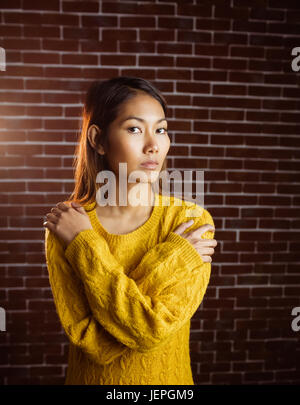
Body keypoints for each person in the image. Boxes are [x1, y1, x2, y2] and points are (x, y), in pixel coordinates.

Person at [43, 76, 217, 385]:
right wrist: (176, 257)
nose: (153, 145)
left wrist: (84, 246)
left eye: (161, 130)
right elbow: (87, 339)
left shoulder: (190, 220)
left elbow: (153, 330)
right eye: (135, 129)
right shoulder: (68, 226)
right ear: (97, 139)